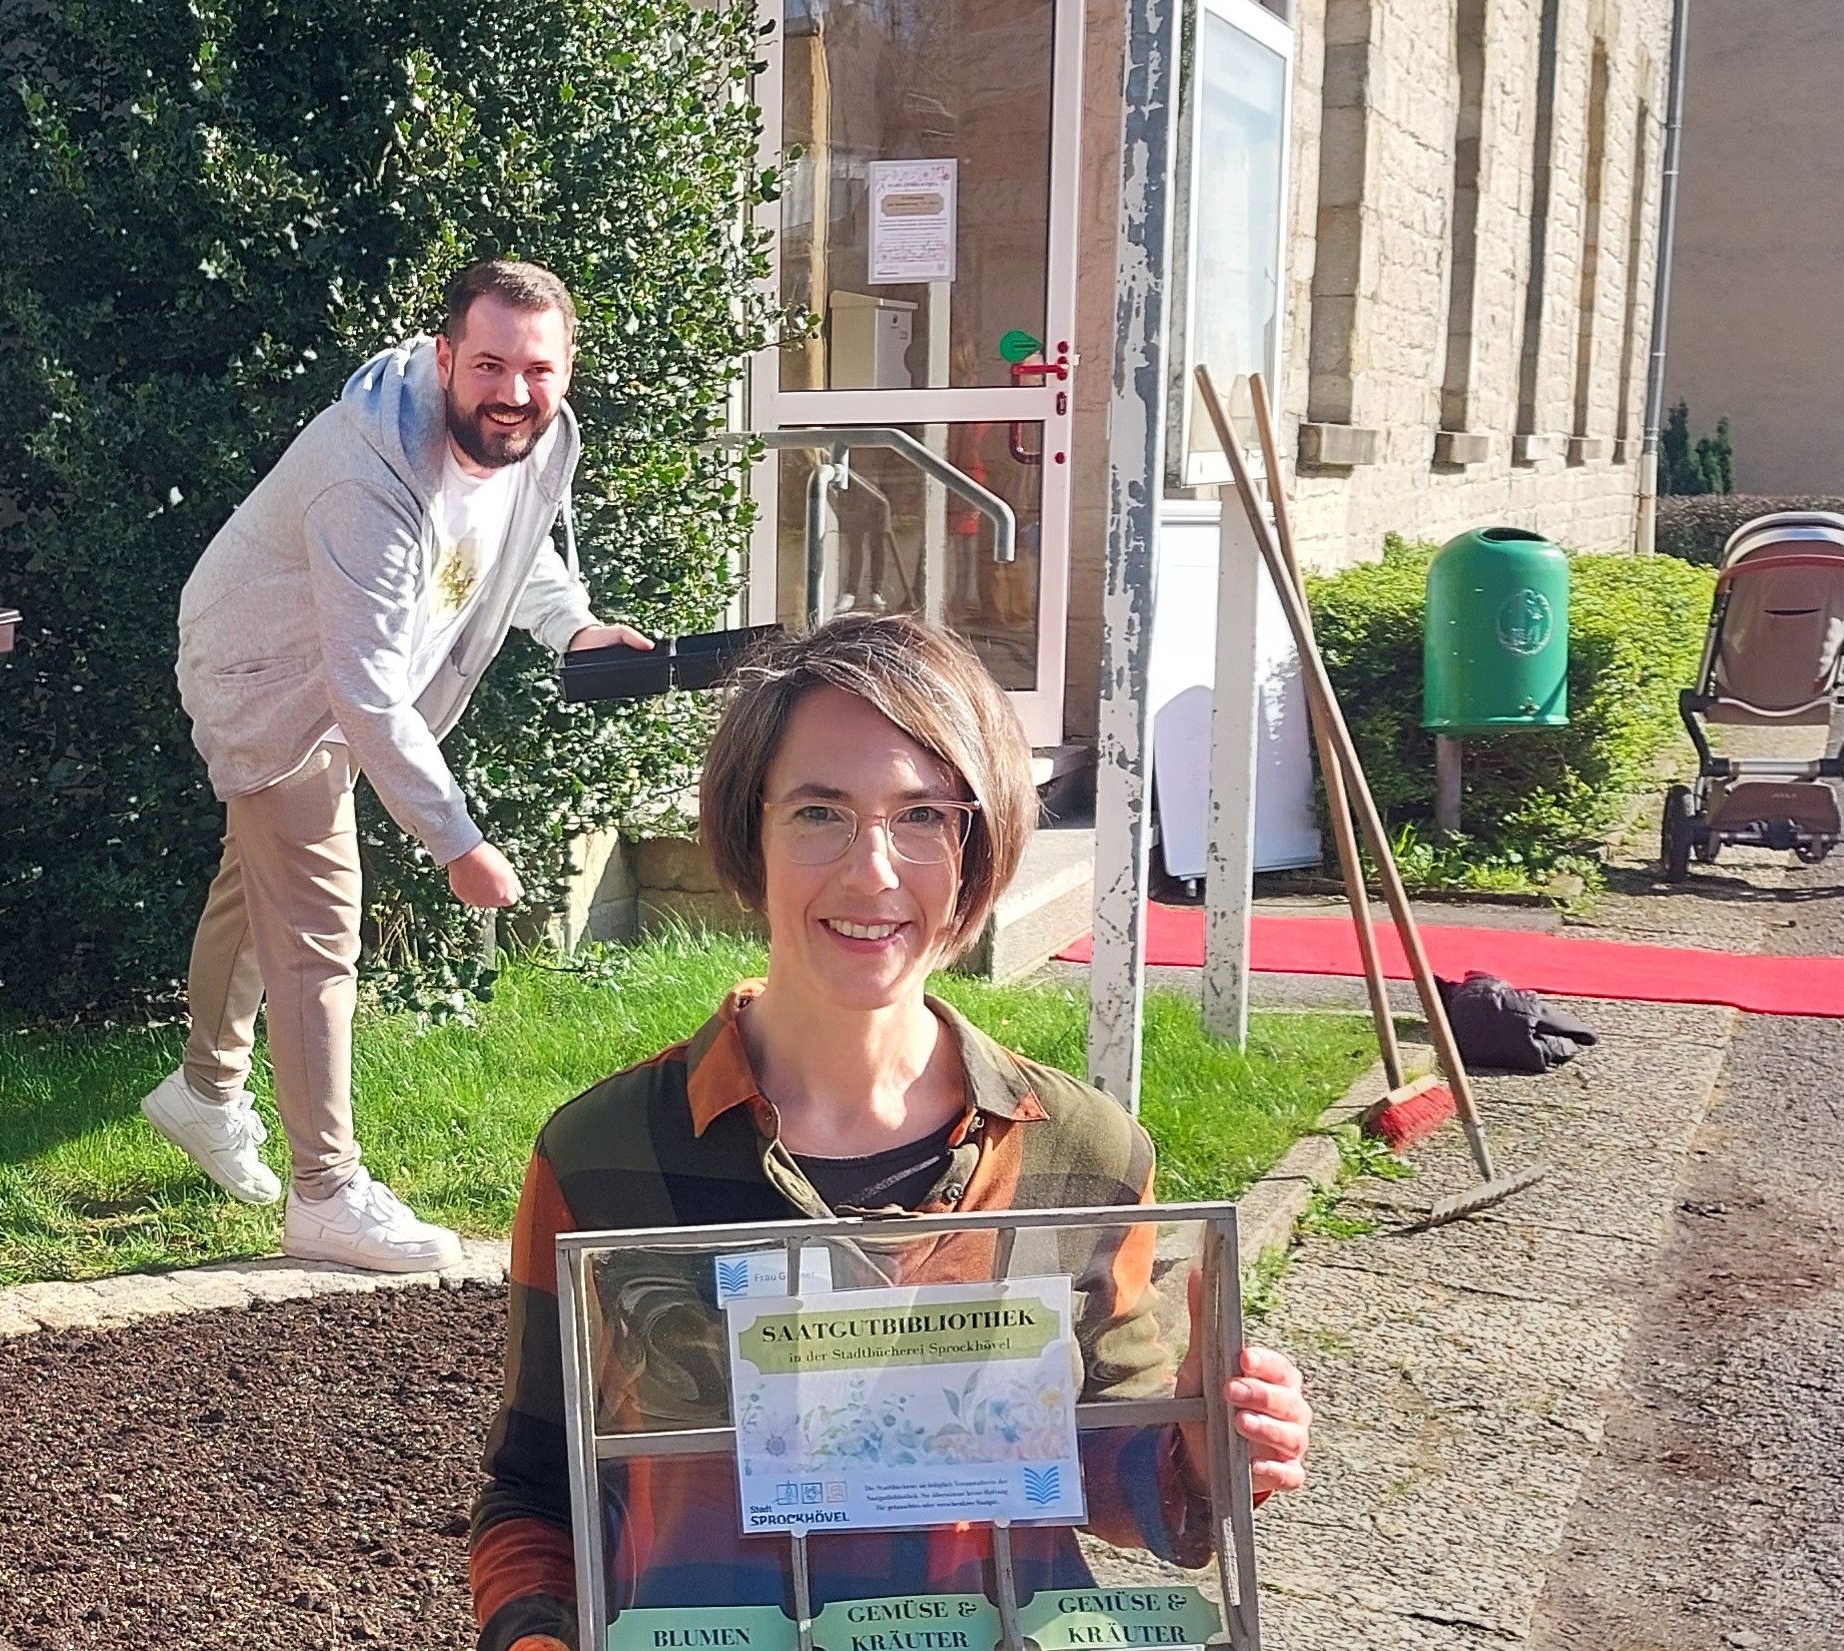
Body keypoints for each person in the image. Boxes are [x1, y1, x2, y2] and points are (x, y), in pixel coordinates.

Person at [463, 615, 1317, 1651]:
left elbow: (1120, 1473)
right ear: (750, 831)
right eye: (820, 811)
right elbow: (534, 1491)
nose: (873, 872)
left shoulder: (1082, 1154)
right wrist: (537, 1634)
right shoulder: (604, 1155)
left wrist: (1217, 1442)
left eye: (923, 816)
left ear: (979, 846)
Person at [141, 261, 658, 1273]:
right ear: (442, 358)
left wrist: (575, 629)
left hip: (333, 673)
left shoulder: (534, 438)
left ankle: (204, 1090)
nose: (514, 392)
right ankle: (325, 1191)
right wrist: (455, 840)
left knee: (262, 885)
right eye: (489, 365)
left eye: (538, 370)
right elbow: (365, 693)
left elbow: (512, 546)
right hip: (266, 677)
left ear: (567, 369)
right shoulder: (370, 475)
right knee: (319, 926)